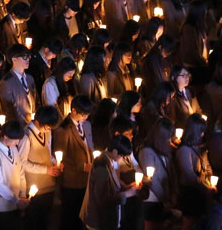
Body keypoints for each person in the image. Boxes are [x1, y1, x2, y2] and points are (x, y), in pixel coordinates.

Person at [53, 94, 96, 230]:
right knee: (69, 216)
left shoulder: (87, 125)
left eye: (87, 114)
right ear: (74, 111)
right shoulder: (63, 130)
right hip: (71, 181)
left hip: (86, 179)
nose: (85, 117)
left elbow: (90, 145)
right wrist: (83, 166)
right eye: (83, 114)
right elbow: (61, 157)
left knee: (82, 216)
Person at [80, 136, 140, 230]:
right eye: (122, 156)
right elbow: (103, 198)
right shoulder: (102, 165)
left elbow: (112, 183)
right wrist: (128, 194)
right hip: (98, 220)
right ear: (115, 151)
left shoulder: (109, 160)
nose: (122, 159)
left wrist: (127, 187)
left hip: (105, 219)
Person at [18, 105, 63, 230]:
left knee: (46, 219)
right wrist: (46, 170)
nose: (48, 130)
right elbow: (22, 163)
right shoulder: (26, 136)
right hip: (34, 186)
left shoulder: (47, 133)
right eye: (47, 127)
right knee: (34, 220)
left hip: (49, 184)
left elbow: (48, 152)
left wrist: (55, 162)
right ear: (37, 121)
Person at [0, 121, 30, 229]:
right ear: (5, 136)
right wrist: (16, 200)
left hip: (16, 203)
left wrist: (23, 194)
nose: (17, 142)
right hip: (2, 207)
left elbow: (20, 172)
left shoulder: (13, 149)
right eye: (15, 139)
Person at [0, 43, 37, 124]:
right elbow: (9, 111)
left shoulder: (30, 79)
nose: (28, 60)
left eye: (28, 57)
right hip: (18, 127)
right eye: (24, 57)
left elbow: (34, 102)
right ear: (14, 59)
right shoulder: (6, 82)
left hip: (32, 125)